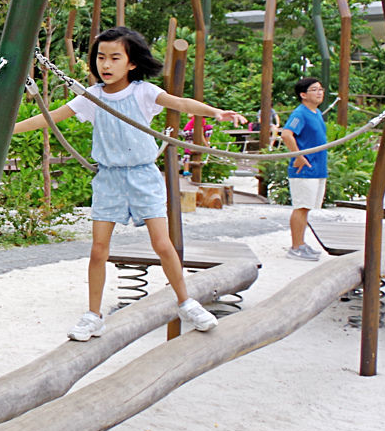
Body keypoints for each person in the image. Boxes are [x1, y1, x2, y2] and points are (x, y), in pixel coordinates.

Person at [13, 26, 248, 341]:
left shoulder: (143, 92)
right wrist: (7, 129)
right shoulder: (91, 97)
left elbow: (182, 103)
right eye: (100, 58)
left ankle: (185, 302)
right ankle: (93, 315)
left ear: (132, 62)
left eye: (114, 58)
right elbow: (51, 116)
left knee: (162, 244)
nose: (105, 65)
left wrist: (215, 112)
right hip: (108, 179)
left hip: (142, 175)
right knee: (98, 250)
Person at [278, 77, 328, 261]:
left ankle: (301, 243)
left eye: (321, 89)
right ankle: (295, 247)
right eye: (314, 89)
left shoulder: (316, 112)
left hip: (318, 167)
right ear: (303, 94)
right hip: (305, 168)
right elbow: (286, 134)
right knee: (301, 206)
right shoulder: (300, 113)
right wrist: (298, 156)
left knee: (307, 208)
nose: (319, 92)